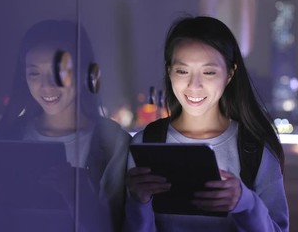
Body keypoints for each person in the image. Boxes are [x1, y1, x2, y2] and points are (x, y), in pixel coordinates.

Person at [124, 16, 289, 232]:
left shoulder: (254, 148)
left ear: (230, 74)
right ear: (169, 71)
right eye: (182, 71)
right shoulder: (146, 143)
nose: (194, 85)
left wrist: (245, 202)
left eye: (209, 72)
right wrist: (139, 203)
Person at [0, 19, 131, 232]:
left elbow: (127, 225)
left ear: (84, 72)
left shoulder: (112, 143)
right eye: (34, 73)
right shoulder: (11, 137)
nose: (46, 85)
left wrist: (80, 198)